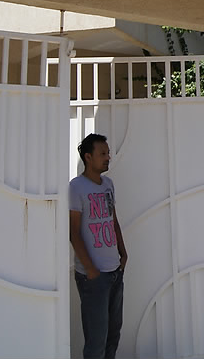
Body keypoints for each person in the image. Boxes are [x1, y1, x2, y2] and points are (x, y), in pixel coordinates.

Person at [69, 133, 128, 359]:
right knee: (96, 341)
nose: (108, 157)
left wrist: (123, 253)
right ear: (88, 157)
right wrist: (90, 269)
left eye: (108, 153)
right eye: (102, 153)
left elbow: (113, 220)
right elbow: (73, 232)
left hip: (114, 271)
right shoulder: (76, 187)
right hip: (93, 277)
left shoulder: (108, 185)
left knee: (113, 336)